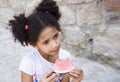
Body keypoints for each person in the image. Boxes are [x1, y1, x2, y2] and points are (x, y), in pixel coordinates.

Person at [9, 0, 83, 82]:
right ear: (34, 45)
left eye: (55, 36)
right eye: (46, 42)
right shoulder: (28, 63)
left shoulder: (65, 56)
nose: (55, 44)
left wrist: (76, 81)